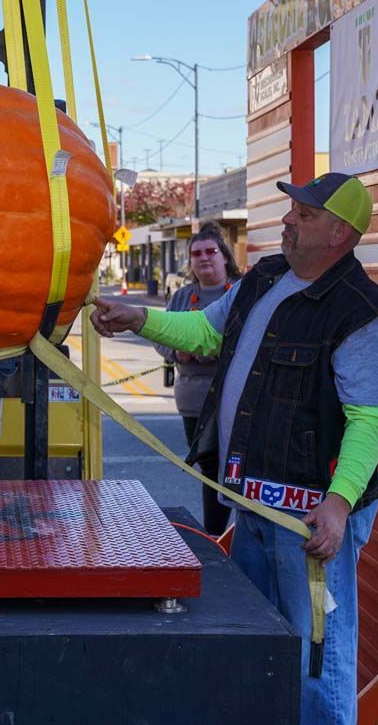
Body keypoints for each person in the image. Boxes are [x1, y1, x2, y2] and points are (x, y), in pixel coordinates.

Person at [91, 173, 378, 725]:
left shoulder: (366, 316)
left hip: (307, 523)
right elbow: (207, 332)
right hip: (255, 506)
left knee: (319, 663)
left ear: (340, 233)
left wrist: (337, 506)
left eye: (305, 216)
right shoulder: (265, 277)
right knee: (260, 651)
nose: (288, 220)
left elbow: (367, 423)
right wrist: (138, 318)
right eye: (293, 210)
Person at [153, 222, 241, 536]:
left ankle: (223, 533)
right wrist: (178, 354)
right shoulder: (182, 298)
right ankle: (217, 534)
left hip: (235, 398)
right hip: (193, 400)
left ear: (225, 257)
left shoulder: (242, 291)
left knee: (233, 467)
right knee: (208, 467)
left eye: (210, 251)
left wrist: (211, 351)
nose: (204, 258)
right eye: (196, 253)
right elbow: (161, 336)